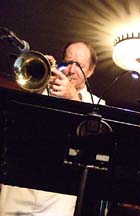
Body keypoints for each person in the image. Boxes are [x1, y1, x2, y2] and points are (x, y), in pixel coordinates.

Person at [0, 41, 105, 216]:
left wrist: (74, 99)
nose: (71, 70)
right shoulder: (42, 87)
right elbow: (16, 122)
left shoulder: (97, 103)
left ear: (90, 71)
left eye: (79, 65)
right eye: (68, 62)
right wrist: (40, 80)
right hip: (19, 185)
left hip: (59, 194)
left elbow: (92, 144)